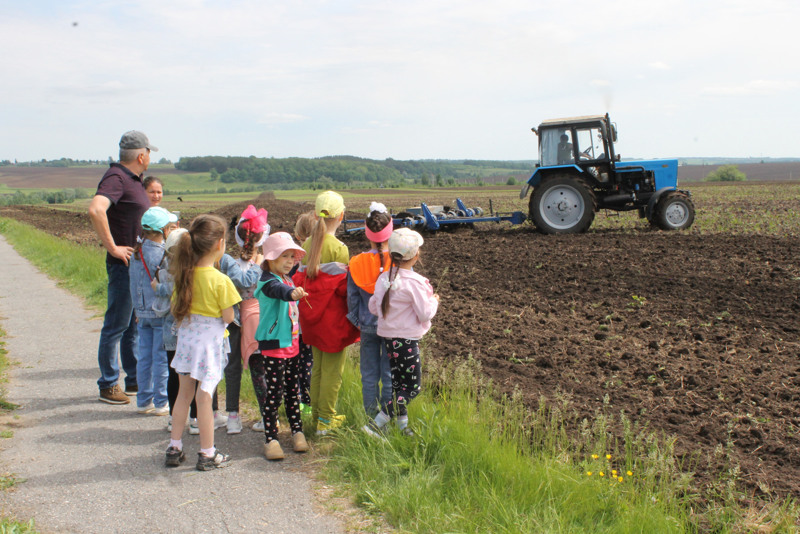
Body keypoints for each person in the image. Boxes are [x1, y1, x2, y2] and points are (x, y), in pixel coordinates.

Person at [164, 214, 241, 471]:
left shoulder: (184, 276)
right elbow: (229, 316)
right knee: (204, 398)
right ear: (220, 244)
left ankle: (174, 446)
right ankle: (208, 453)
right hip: (209, 346)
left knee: (183, 395)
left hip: (186, 342)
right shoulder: (221, 281)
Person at [88, 130, 157, 404]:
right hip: (123, 265)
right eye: (149, 152)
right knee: (116, 326)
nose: (150, 157)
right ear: (141, 155)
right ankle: (107, 384)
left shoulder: (131, 179)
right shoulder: (117, 177)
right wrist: (113, 247)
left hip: (135, 265)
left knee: (131, 327)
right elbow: (96, 209)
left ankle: (133, 380)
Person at [293, 191, 360, 435]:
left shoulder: (307, 244)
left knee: (318, 368)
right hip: (332, 321)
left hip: (311, 319)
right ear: (341, 216)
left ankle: (318, 415)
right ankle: (326, 420)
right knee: (333, 371)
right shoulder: (340, 249)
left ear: (315, 215)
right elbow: (344, 290)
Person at [365, 228, 439, 437]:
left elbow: (373, 307)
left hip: (389, 339)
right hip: (406, 342)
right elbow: (425, 314)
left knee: (399, 384)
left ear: (391, 255)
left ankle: (402, 426)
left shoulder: (383, 279)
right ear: (416, 256)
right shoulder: (415, 283)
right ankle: (375, 425)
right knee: (413, 387)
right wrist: (434, 301)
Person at [253, 232, 311, 460]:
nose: (289, 261)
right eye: (284, 256)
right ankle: (272, 438)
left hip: (293, 343)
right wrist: (292, 293)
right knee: (274, 394)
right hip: (275, 345)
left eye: (292, 257)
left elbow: (292, 277)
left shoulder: (287, 276)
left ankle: (297, 431)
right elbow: (279, 292)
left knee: (292, 390)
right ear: (270, 259)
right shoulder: (268, 282)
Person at [222, 205, 267, 434]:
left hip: (232, 319)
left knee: (232, 367)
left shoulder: (228, 262)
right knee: (259, 369)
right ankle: (265, 416)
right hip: (257, 319)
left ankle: (232, 416)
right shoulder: (263, 264)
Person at [347, 202, 393, 418]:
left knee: (369, 374)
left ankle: (369, 417)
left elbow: (352, 299)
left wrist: (359, 321)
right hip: (393, 327)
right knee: (389, 373)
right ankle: (387, 418)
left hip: (367, 325)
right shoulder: (399, 261)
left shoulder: (356, 262)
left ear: (367, 234)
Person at [129, 207, 177, 416]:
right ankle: (161, 401)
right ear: (165, 230)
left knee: (144, 357)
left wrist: (136, 309)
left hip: (141, 312)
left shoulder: (136, 253)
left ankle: (143, 400)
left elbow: (133, 283)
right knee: (160, 358)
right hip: (160, 312)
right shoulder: (162, 254)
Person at [293, 211, 316, 416]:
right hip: (312, 318)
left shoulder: (293, 260)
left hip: (295, 321)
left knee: (297, 362)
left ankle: (299, 400)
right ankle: (310, 402)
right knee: (310, 362)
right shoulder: (318, 256)